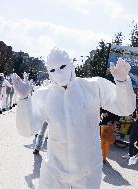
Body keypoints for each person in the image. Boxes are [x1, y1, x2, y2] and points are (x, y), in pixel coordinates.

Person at [12, 48, 136, 189]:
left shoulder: (94, 86)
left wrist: (122, 82)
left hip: (88, 171)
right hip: (54, 172)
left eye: (62, 66)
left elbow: (125, 108)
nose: (58, 73)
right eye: (52, 70)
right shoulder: (44, 95)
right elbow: (27, 130)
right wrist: (23, 99)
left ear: (71, 65)